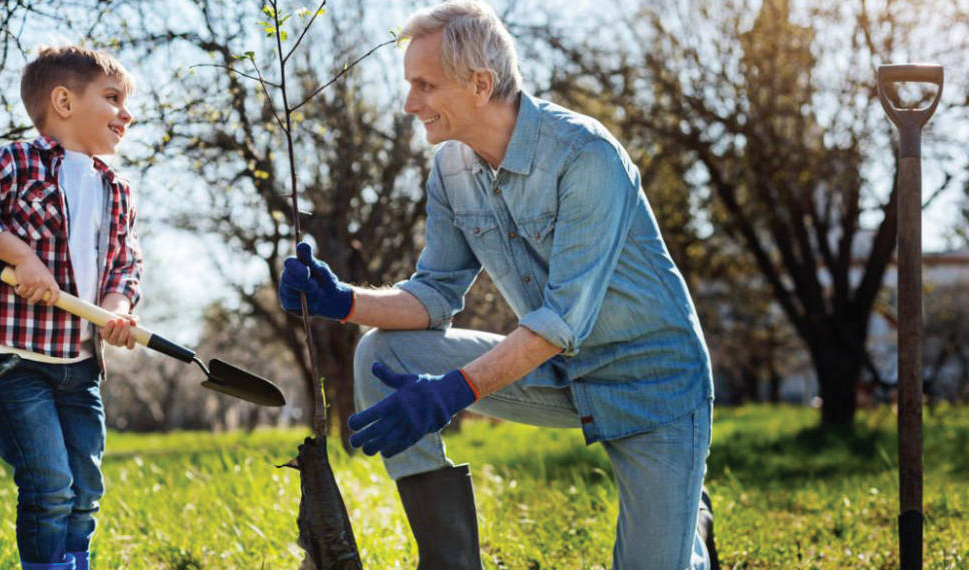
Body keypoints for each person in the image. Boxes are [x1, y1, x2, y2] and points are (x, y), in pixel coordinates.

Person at [279, 1, 715, 568]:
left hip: (653, 384)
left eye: (424, 85)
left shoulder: (586, 156)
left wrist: (454, 390)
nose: (410, 104)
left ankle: (690, 531)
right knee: (381, 352)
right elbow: (434, 295)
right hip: (556, 371)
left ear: (480, 84)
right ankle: (449, 560)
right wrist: (341, 302)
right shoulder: (451, 168)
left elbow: (561, 321)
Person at [0, 45, 142, 570]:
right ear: (63, 101)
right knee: (50, 484)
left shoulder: (115, 190)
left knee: (85, 487)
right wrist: (22, 256)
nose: (128, 112)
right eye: (114, 98)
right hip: (13, 358)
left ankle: (76, 563)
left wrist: (116, 309)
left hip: (79, 367)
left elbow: (124, 264)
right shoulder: (15, 162)